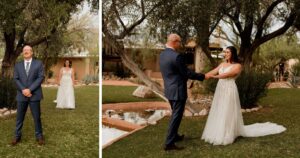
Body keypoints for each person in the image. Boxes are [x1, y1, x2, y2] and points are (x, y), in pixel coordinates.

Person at [201, 46, 286, 145]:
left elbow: (228, 74)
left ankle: (228, 133)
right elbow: (213, 71)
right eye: (225, 52)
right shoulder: (222, 64)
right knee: (220, 108)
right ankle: (218, 131)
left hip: (229, 89)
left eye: (228, 52)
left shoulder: (238, 66)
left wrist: (214, 77)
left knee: (227, 109)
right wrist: (203, 76)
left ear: (233, 53)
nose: (226, 54)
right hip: (220, 89)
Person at [159, 33, 207, 151]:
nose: (180, 44)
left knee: (175, 114)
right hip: (178, 91)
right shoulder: (176, 56)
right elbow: (186, 73)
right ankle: (169, 144)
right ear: (175, 41)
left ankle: (174, 136)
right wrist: (203, 76)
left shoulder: (162, 55)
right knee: (176, 116)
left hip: (169, 90)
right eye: (179, 42)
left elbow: (173, 72)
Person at [12, 45, 45, 146]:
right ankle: (17, 136)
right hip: (21, 95)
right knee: (19, 117)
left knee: (36, 117)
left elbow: (40, 77)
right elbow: (16, 79)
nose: (26, 51)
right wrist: (23, 90)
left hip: (34, 94)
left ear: (32, 52)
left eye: (28, 50)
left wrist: (30, 89)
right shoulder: (18, 65)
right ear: (22, 53)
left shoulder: (38, 64)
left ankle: (39, 136)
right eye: (24, 50)